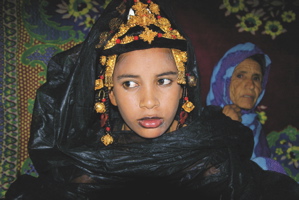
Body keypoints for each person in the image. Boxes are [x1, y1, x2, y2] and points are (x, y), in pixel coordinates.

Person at [5, 0, 299, 199]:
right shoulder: (86, 164)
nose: (149, 101)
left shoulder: (212, 152)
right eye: (130, 83)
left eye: (164, 81)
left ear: (184, 86)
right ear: (111, 93)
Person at [206, 42, 286, 173]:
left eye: (256, 78)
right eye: (240, 75)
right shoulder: (204, 122)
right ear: (223, 80)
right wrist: (228, 127)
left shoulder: (255, 127)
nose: (250, 85)